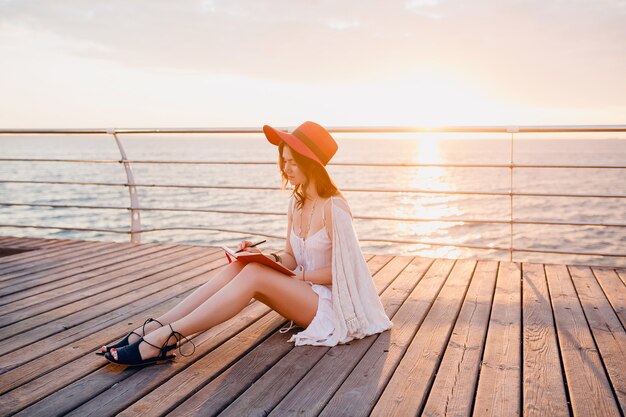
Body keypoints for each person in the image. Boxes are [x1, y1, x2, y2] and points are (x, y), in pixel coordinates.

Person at [101, 121, 392, 366]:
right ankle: (153, 328)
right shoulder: (297, 202)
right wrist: (265, 256)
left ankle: (165, 338)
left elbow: (345, 273)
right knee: (243, 265)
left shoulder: (334, 207)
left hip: (332, 306)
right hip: (303, 292)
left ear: (311, 164)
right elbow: (291, 256)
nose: (286, 168)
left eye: (293, 162)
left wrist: (296, 276)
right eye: (284, 160)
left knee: (253, 274)